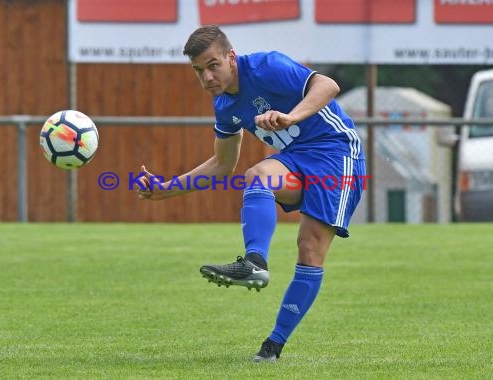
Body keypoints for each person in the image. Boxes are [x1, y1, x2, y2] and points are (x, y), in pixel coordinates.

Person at [136, 25, 365, 362]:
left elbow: (327, 85)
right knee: (257, 175)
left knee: (309, 249)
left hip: (337, 154)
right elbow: (221, 164)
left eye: (213, 65)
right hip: (298, 159)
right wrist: (164, 190)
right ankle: (255, 263)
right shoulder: (225, 104)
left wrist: (291, 116)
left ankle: (273, 347)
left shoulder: (267, 66)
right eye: (198, 71)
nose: (207, 77)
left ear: (231, 57)